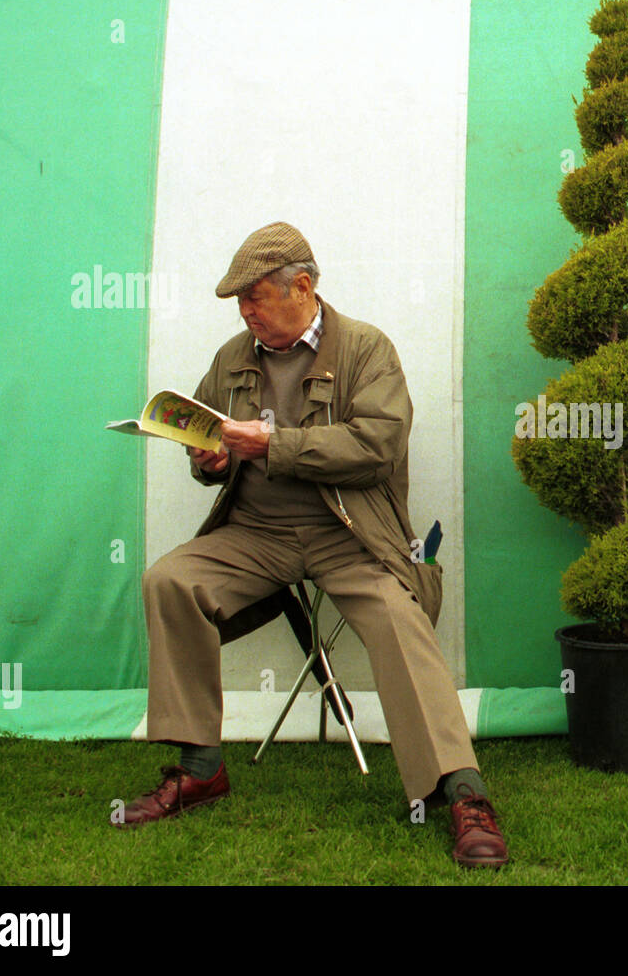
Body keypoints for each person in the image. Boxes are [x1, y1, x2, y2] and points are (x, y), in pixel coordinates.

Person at [113, 222, 508, 867]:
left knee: (399, 621)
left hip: (349, 536)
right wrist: (207, 461)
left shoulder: (365, 349)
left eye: (255, 298)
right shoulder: (233, 356)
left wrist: (273, 445)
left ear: (302, 286)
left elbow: (377, 447)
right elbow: (207, 438)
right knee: (170, 581)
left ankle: (460, 791)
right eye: (239, 303)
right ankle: (199, 768)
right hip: (255, 535)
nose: (246, 314)